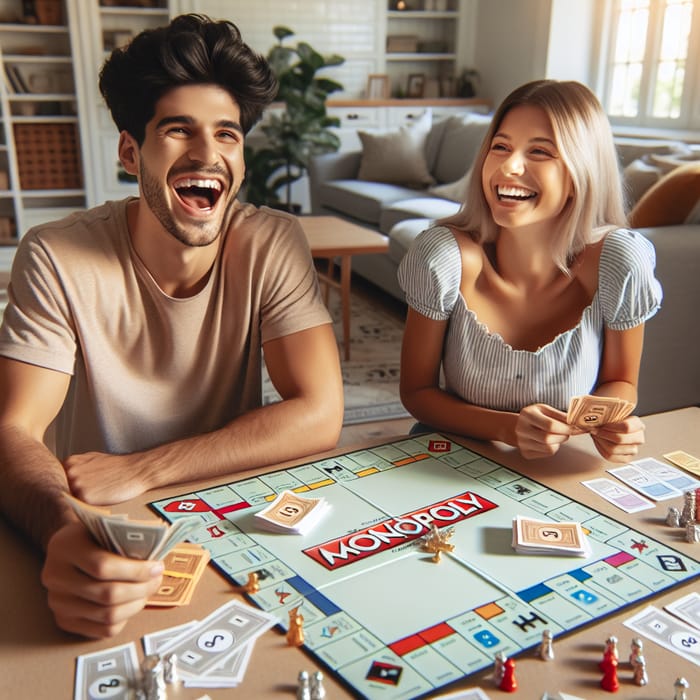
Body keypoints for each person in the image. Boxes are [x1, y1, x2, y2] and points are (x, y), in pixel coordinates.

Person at [0, 14, 343, 638]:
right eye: (179, 131)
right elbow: (13, 428)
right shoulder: (54, 254)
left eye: (227, 135)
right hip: (92, 519)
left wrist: (146, 467)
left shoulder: (273, 241)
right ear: (132, 151)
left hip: (222, 510)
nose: (207, 155)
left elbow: (320, 412)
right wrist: (61, 525)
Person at [398, 80, 662, 463]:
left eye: (539, 152)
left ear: (581, 171)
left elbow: (621, 383)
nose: (509, 166)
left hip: (563, 464)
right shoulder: (441, 255)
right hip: (454, 457)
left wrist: (611, 422)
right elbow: (417, 394)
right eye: (500, 147)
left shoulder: (621, 260)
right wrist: (509, 429)